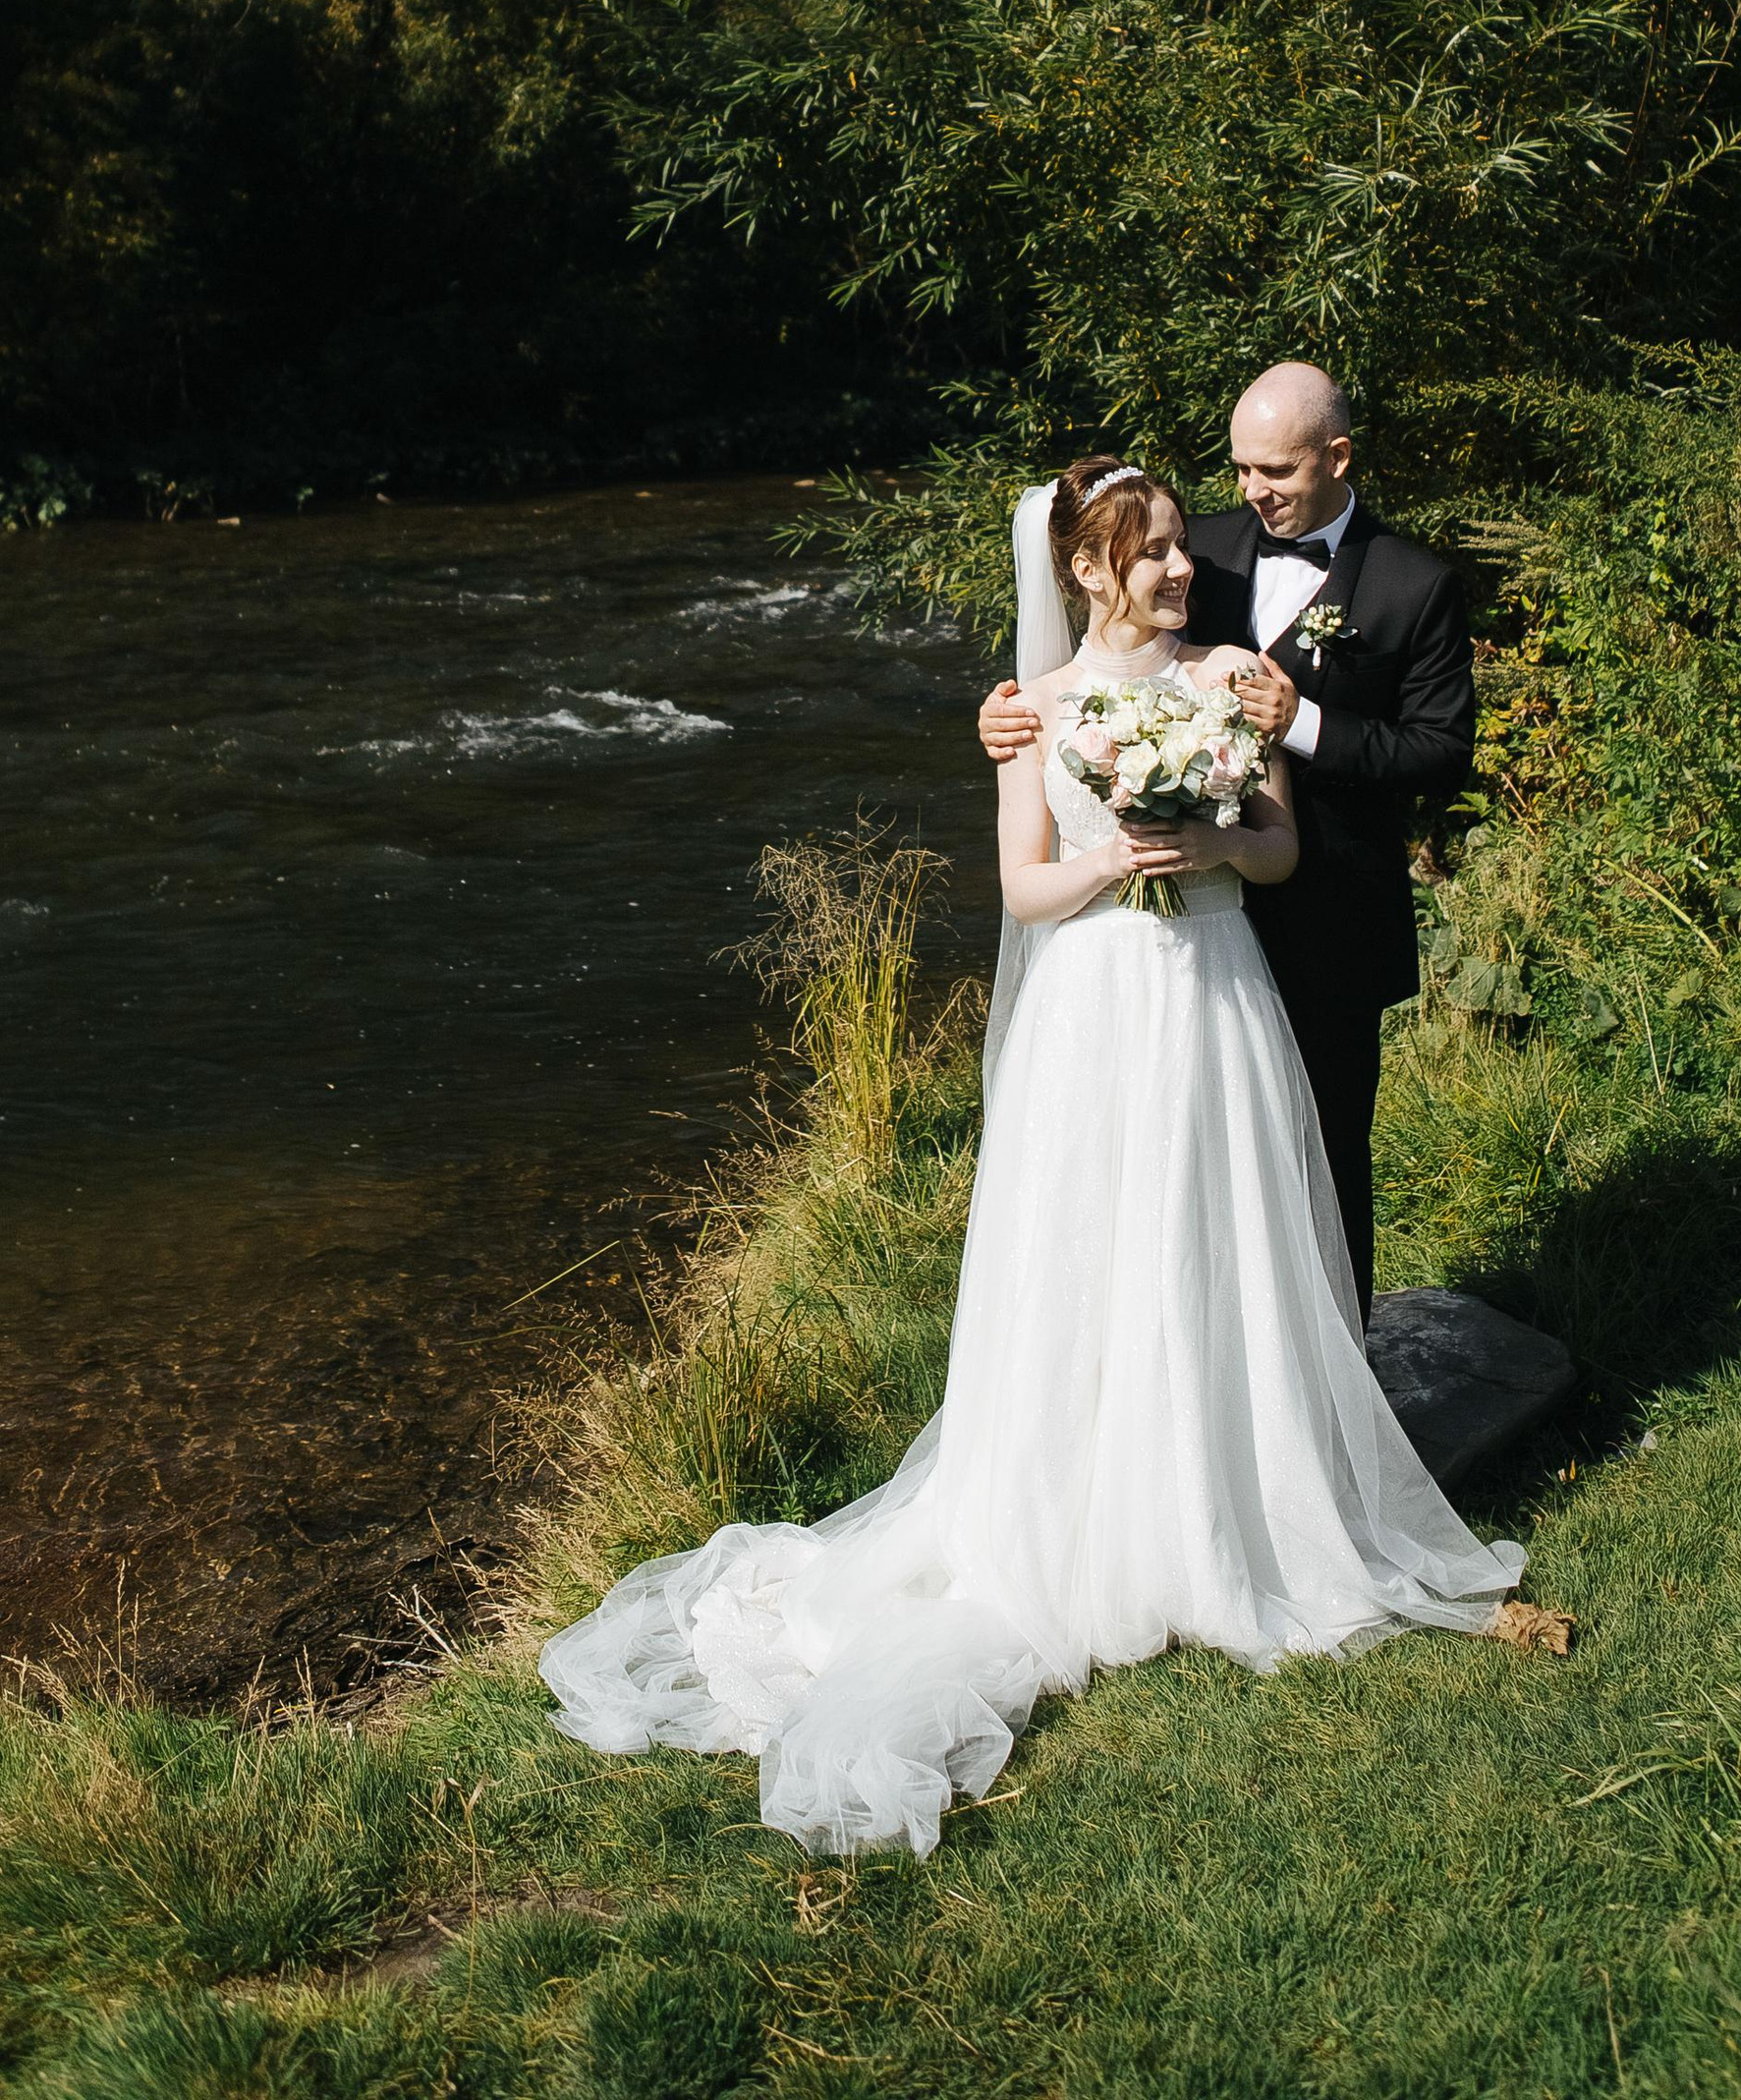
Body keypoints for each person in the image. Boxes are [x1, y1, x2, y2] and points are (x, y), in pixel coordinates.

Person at [539, 456, 1522, 1855]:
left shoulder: (1234, 675)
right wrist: (1119, 858)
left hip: (1220, 997)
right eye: (1153, 552)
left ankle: (1230, 1514)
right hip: (1093, 1011)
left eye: (1185, 545)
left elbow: (1282, 854)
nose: (1182, 570)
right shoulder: (1034, 715)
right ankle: (1086, 1519)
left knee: (1216, 1236)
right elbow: (1023, 888)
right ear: (1084, 572)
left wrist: (1213, 839)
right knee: (1093, 1252)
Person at [979, 364, 1475, 1318]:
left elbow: (1440, 755)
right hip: (1175, 943)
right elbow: (1101, 655)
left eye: (1275, 472)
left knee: (1324, 1167)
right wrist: (1006, 722)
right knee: (1168, 1178)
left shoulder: (1415, 586)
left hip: (1327, 915)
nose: (1251, 492)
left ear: (1335, 458)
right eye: (1241, 469)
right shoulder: (1195, 546)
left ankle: (1334, 1402)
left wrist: (1306, 724)